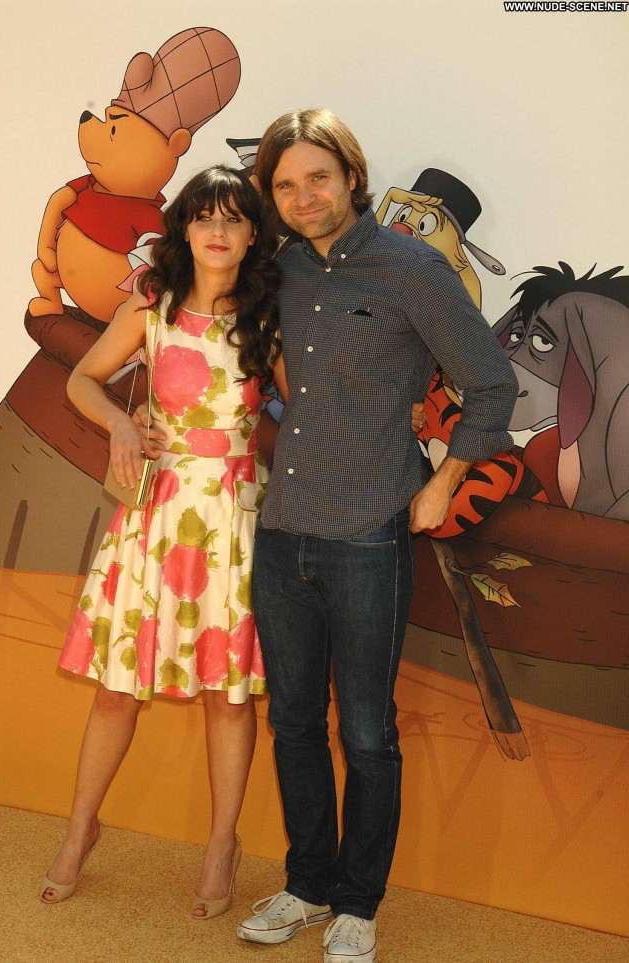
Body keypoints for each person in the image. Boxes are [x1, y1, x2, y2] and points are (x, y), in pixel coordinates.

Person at [236, 110, 518, 963]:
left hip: (367, 535)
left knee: (365, 731)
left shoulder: (414, 270)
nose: (304, 197)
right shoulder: (277, 268)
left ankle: (358, 904)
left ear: (352, 177)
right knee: (292, 722)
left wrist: (443, 482)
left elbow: (492, 385)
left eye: (318, 178)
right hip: (282, 532)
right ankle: (307, 884)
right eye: (286, 185)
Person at [39, 166, 282, 920]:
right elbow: (82, 379)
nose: (218, 231)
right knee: (117, 687)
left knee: (229, 696)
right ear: (184, 229)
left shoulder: (269, 317)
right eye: (204, 217)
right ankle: (80, 831)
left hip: (234, 520)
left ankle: (221, 844)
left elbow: (310, 405)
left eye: (233, 218)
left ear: (253, 234)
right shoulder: (154, 304)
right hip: (155, 514)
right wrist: (120, 421)